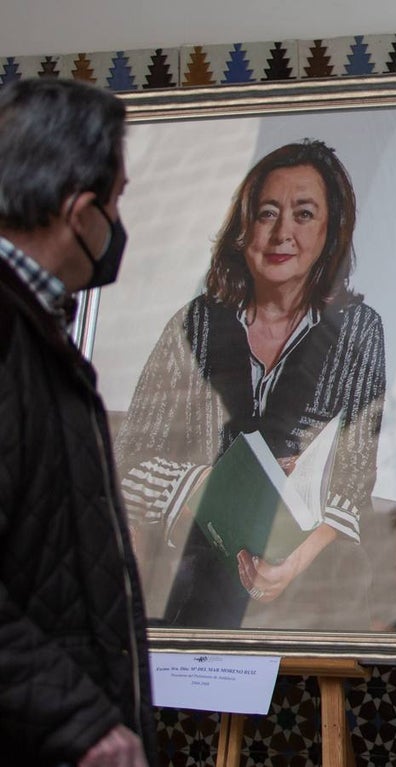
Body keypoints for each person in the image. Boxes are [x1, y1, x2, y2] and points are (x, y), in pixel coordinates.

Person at [114, 140, 389, 630]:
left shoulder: (359, 331)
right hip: (193, 561)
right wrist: (203, 484)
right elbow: (129, 462)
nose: (283, 232)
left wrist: (291, 563)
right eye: (267, 213)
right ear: (245, 228)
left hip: (304, 572)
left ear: (331, 232)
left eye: (304, 214)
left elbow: (351, 485)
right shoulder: (195, 324)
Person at [0, 79, 155, 766]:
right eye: (116, 200)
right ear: (80, 211)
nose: (118, 223)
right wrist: (80, 719)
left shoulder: (34, 326)